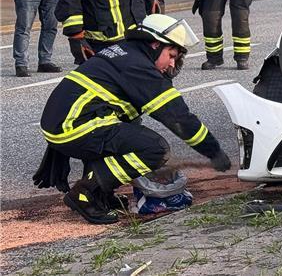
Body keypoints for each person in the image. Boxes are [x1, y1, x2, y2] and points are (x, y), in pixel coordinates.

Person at [34, 14, 232, 224]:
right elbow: (178, 118)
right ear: (156, 44)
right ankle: (86, 193)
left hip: (69, 123)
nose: (172, 63)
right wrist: (213, 151)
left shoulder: (126, 51)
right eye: (171, 55)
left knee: (128, 134)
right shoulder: (139, 65)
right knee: (154, 149)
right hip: (75, 126)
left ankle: (102, 195)